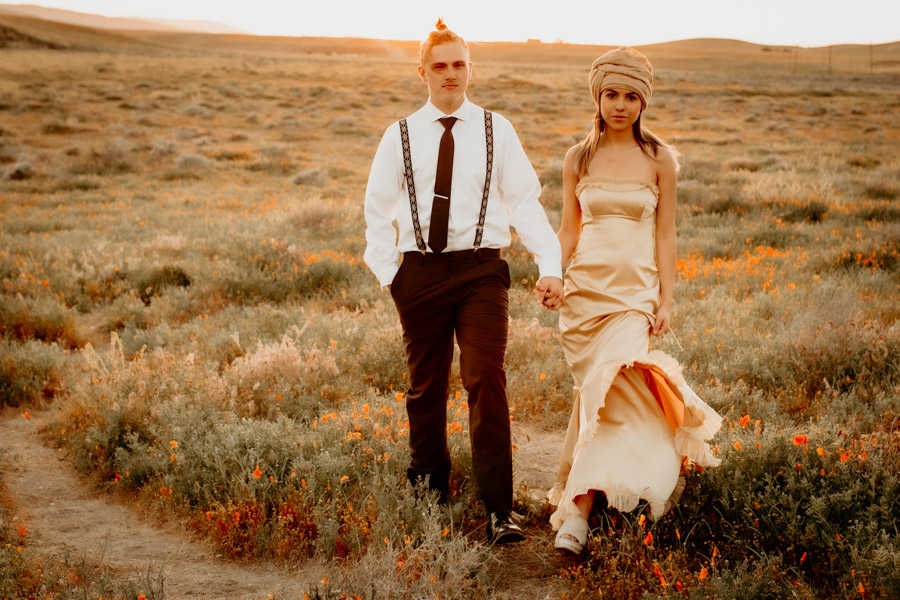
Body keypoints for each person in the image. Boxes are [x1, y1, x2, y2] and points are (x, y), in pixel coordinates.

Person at [364, 19, 563, 544]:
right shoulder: (400, 135)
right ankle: (430, 496)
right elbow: (376, 210)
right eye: (440, 65)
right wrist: (392, 275)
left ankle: (499, 511)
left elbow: (525, 203)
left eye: (459, 64)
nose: (450, 73)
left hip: (481, 272)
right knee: (426, 388)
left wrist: (550, 264)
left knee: (485, 380)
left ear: (470, 68)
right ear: (423, 72)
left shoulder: (498, 130)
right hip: (420, 273)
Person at [544, 47, 722, 555]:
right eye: (611, 95)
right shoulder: (578, 158)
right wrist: (551, 273)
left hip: (635, 297)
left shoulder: (660, 159)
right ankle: (592, 488)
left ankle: (577, 514)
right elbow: (569, 228)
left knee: (614, 388)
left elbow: (665, 234)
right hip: (584, 296)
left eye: (630, 96)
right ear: (597, 97)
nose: (620, 105)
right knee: (596, 397)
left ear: (643, 102)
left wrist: (666, 299)